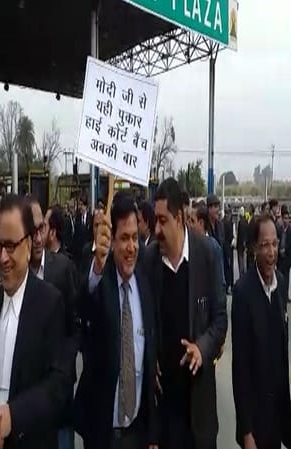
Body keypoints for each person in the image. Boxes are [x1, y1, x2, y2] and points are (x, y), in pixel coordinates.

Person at [0, 194, 70, 449]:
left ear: (28, 245)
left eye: (11, 246)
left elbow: (59, 387)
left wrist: (13, 416)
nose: (3, 258)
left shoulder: (49, 304)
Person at [144, 178, 227, 449]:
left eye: (162, 220)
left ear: (179, 218)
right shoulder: (149, 261)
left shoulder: (208, 254)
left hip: (199, 408)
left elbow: (220, 319)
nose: (157, 229)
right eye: (155, 221)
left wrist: (202, 348)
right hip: (165, 410)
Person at [76, 196, 159, 448]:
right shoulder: (102, 282)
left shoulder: (146, 284)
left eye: (134, 237)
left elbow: (149, 361)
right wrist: (98, 269)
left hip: (137, 433)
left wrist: (152, 435)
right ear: (111, 241)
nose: (131, 247)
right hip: (101, 434)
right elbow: (84, 309)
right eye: (124, 238)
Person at [231, 214, 291, 449]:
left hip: (278, 414)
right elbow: (240, 369)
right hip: (256, 421)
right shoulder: (243, 293)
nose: (271, 252)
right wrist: (247, 432)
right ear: (254, 248)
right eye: (265, 245)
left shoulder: (281, 283)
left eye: (274, 244)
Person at [26, 196, 79, 449]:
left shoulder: (63, 269)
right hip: (28, 397)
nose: (38, 238)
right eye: (32, 232)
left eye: (41, 229)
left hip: (59, 393)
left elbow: (74, 327)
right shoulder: (16, 275)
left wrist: (63, 370)